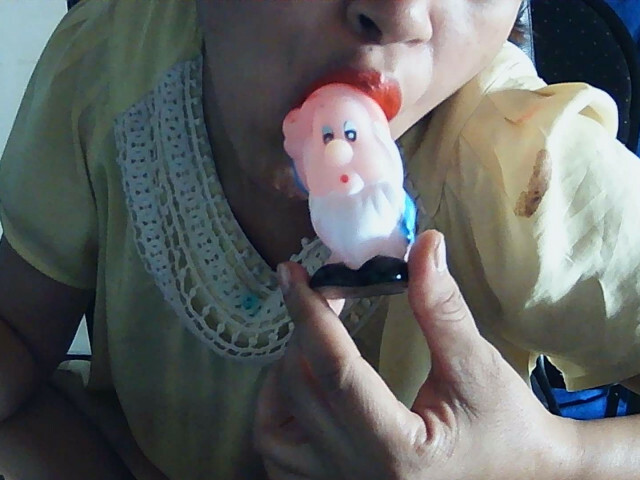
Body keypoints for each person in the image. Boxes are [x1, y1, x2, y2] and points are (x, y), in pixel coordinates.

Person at [1, 1, 639, 479]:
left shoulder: (530, 166)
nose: (400, 15)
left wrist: (555, 458)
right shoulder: (109, 66)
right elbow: (19, 326)